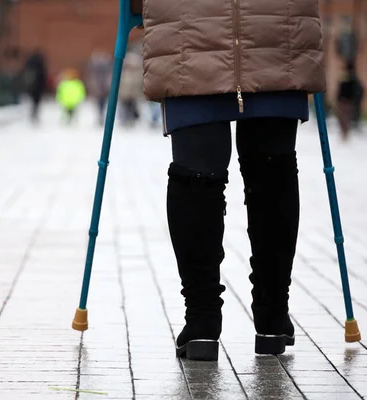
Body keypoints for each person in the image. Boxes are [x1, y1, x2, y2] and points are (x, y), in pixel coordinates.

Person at [132, 0, 325, 360]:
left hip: (188, 27)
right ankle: (271, 316)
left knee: (197, 172)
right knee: (272, 172)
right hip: (276, 26)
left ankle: (202, 321)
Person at [87, 51, 113, 125]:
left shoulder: (106, 68)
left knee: (102, 104)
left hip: (103, 90)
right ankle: (100, 116)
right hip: (99, 90)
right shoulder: (95, 68)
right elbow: (92, 79)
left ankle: (101, 116)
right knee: (99, 104)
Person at [118, 53, 144, 127]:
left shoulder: (138, 73)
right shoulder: (123, 73)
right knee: (124, 108)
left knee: (132, 108)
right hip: (125, 95)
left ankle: (131, 120)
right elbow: (121, 85)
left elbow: (140, 85)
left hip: (133, 95)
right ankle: (125, 120)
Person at [23, 49, 48, 124]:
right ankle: (35, 114)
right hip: (38, 87)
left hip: (32, 87)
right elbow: (43, 76)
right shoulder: (40, 64)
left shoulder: (30, 64)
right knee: (36, 102)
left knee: (33, 101)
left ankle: (33, 113)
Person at [337, 61, 358, 140]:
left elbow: (341, 89)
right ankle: (344, 133)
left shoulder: (347, 78)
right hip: (347, 101)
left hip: (344, 101)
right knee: (345, 118)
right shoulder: (352, 79)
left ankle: (344, 133)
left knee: (344, 118)